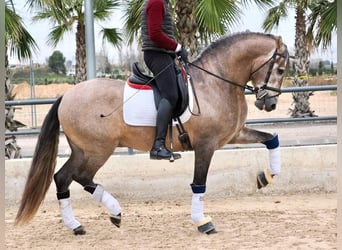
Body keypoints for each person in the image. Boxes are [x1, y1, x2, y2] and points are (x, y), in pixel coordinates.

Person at [141, 0, 189, 160]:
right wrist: (177, 47)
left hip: (162, 54)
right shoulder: (156, 2)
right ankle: (158, 146)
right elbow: (155, 34)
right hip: (157, 55)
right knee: (171, 95)